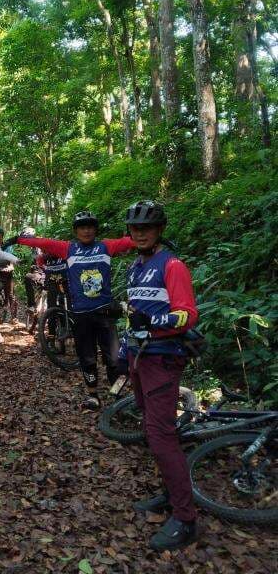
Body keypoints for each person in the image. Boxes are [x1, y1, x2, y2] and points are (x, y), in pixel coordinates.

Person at [120, 200, 199, 552]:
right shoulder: (135, 267)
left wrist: (154, 323)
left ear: (159, 230)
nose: (140, 233)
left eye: (147, 228)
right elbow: (134, 315)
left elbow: (187, 315)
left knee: (160, 433)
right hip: (140, 357)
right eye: (135, 229)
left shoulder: (173, 264)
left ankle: (185, 518)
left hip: (163, 358)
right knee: (154, 429)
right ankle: (171, 492)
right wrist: (125, 347)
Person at [6, 212, 136, 409]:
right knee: (87, 356)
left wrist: (155, 239)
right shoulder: (69, 248)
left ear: (95, 229)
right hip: (81, 314)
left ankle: (117, 395)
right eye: (82, 227)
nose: (86, 230)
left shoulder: (106, 246)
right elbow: (43, 242)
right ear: (76, 231)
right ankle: (93, 395)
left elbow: (131, 241)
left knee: (114, 360)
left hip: (105, 313)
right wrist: (18, 239)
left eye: (90, 226)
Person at [0, 226, 19, 323]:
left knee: (11, 295)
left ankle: (14, 317)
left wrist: (11, 266)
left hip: (7, 272)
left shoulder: (8, 246)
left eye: (0, 236)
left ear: (2, 237)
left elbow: (11, 257)